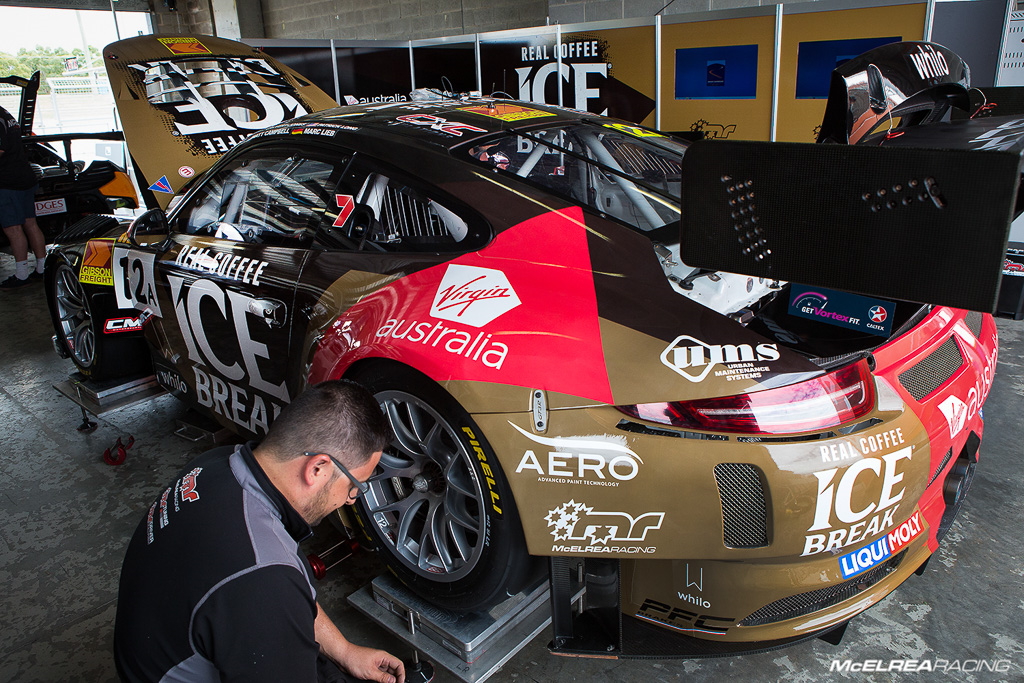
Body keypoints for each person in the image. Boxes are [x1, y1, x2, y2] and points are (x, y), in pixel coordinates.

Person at [114, 380, 406, 683]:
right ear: (317, 468)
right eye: (355, 486)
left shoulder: (216, 465)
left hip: (155, 650)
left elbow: (272, 588)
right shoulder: (264, 580)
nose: (350, 499)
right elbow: (266, 587)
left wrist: (344, 651)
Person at [0, 104, 44, 289]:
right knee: (30, 223)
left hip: (7, 182)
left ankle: (22, 274)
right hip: (24, 176)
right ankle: (42, 268)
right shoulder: (5, 114)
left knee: (13, 228)